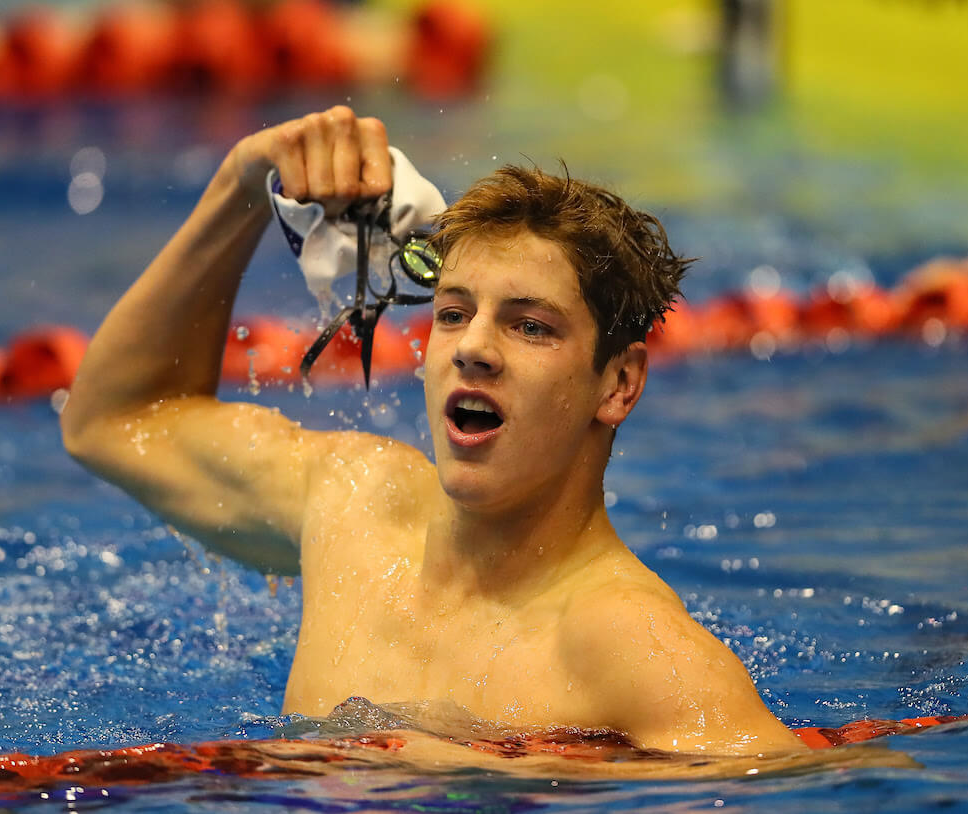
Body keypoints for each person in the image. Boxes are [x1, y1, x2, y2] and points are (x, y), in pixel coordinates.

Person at [60, 106, 807, 756]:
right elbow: (113, 423)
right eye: (452, 312)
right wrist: (243, 183)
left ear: (618, 384)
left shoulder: (635, 652)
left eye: (530, 325)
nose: (472, 346)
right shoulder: (354, 507)